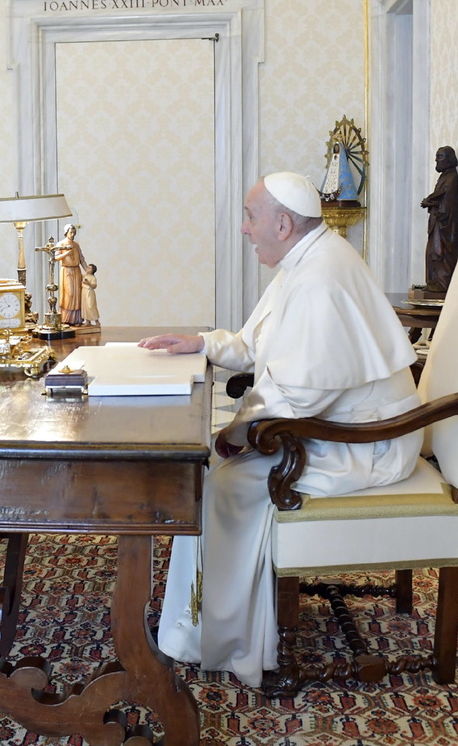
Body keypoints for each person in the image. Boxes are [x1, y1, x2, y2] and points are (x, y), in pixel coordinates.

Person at [138, 171, 421, 687]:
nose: (244, 229)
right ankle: (195, 622)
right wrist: (201, 343)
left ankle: (227, 640)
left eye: (251, 217)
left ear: (284, 224)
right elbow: (255, 344)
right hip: (335, 427)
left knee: (220, 481)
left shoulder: (320, 278)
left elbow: (300, 396)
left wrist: (235, 434)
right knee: (208, 466)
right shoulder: (304, 260)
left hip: (363, 445)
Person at [421, 145, 458, 292]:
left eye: (440, 157)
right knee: (432, 252)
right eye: (436, 156)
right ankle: (433, 281)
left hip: (444, 224)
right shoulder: (444, 176)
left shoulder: (452, 177)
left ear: (449, 159)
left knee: (440, 253)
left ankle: (442, 283)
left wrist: (430, 202)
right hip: (436, 223)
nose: (436, 160)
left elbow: (446, 199)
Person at [54, 224, 87, 326]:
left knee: (77, 295)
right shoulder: (61, 244)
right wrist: (67, 253)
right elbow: (56, 257)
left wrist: (87, 271)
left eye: (74, 233)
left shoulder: (76, 245)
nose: (72, 234)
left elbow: (81, 259)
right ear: (66, 233)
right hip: (67, 271)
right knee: (70, 293)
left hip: (76, 271)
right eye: (71, 232)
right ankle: (66, 318)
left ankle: (76, 319)